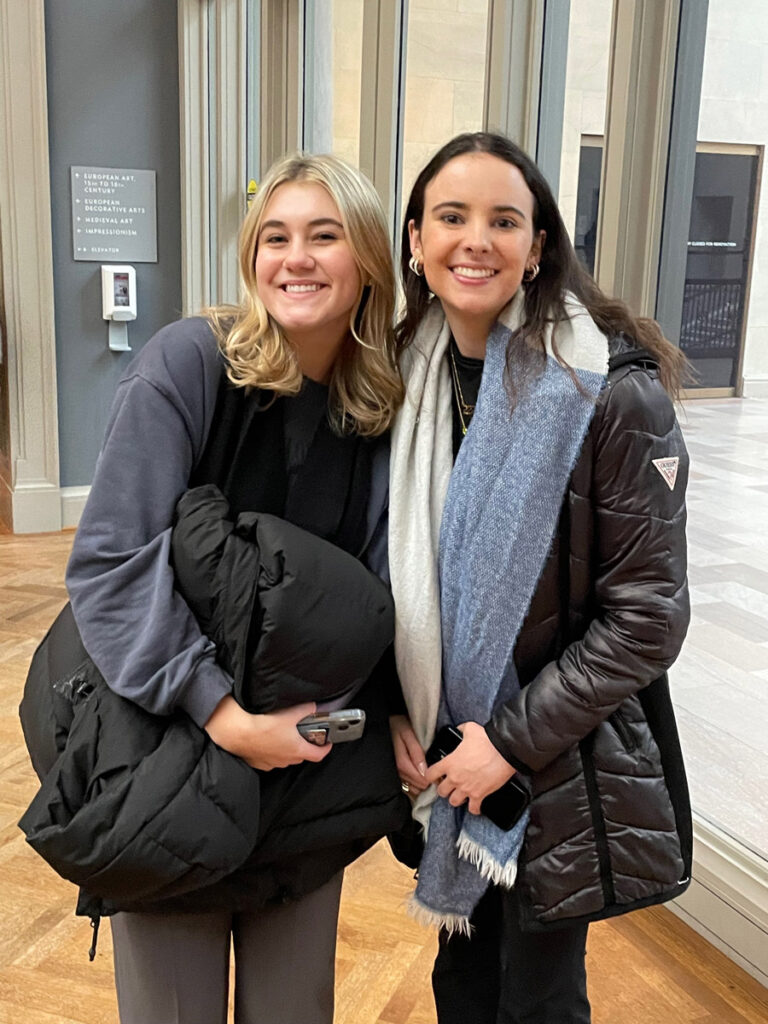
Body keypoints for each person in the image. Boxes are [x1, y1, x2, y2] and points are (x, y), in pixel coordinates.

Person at [63, 153, 405, 1024]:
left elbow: (377, 592)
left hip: (302, 767)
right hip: (169, 748)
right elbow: (111, 560)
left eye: (324, 236)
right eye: (275, 237)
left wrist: (380, 715)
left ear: (365, 256)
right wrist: (226, 719)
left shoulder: (377, 407)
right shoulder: (188, 362)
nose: (296, 257)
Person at [387, 132, 692, 1024]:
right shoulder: (404, 383)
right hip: (445, 754)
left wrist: (508, 744)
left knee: (538, 1001)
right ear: (415, 240)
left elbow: (646, 619)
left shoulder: (609, 392)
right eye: (452, 216)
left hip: (554, 766)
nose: (474, 239)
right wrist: (403, 706)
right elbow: (394, 574)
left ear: (538, 248)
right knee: (462, 990)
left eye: (503, 220)